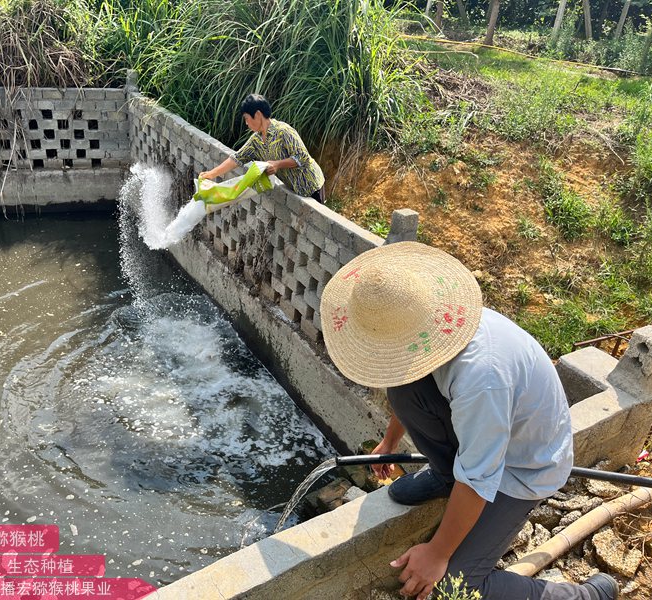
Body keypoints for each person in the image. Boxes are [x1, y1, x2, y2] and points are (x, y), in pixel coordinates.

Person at [319, 241, 620, 600]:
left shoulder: (482, 379)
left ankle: (586, 596)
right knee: (404, 393)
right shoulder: (435, 329)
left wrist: (438, 553)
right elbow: (406, 375)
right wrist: (390, 441)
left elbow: (480, 478)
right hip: (491, 439)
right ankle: (448, 477)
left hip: (522, 467)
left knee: (454, 587)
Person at [199, 94, 326, 203]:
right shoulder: (256, 140)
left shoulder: (283, 131)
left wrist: (278, 164)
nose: (246, 123)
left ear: (258, 115)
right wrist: (211, 174)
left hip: (312, 186)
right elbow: (237, 158)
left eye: (247, 119)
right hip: (294, 188)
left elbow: (302, 157)